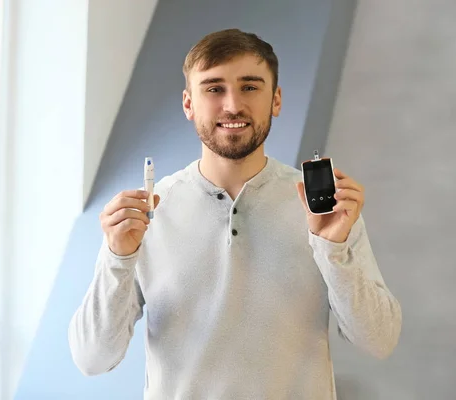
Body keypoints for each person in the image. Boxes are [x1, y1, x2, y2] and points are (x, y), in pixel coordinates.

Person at [68, 28, 402, 399]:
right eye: (213, 88)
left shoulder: (326, 210)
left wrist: (334, 250)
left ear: (275, 100)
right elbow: (92, 358)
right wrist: (118, 257)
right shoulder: (147, 213)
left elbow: (380, 340)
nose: (232, 105)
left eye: (250, 87)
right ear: (188, 104)